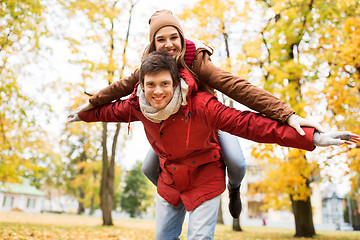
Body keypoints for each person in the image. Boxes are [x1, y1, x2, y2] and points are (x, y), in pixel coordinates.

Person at [69, 51, 359, 240]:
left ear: (176, 81)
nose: (158, 91)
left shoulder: (202, 96)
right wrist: (83, 113)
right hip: (171, 176)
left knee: (236, 164)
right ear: (141, 85)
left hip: (206, 170)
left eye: (164, 84)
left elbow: (252, 123)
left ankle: (235, 189)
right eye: (151, 85)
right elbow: (106, 110)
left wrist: (311, 137)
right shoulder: (137, 106)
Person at [72, 9, 325, 218]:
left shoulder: (197, 62)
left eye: (174, 37)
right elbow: (123, 87)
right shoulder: (150, 65)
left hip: (208, 122)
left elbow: (238, 87)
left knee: (236, 162)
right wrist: (93, 103)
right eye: (161, 40)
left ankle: (234, 188)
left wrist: (287, 115)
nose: (168, 44)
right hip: (171, 131)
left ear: (182, 38)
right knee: (149, 168)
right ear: (153, 44)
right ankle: (182, 196)